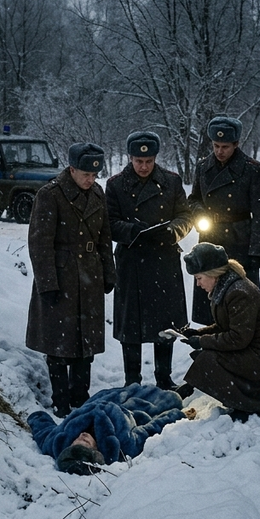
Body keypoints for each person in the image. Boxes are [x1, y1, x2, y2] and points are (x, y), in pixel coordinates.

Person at [26, 143, 116, 418]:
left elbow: (104, 238)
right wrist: (48, 284)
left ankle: (81, 395)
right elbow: (39, 243)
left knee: (84, 343)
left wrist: (108, 273)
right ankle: (60, 400)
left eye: (95, 175)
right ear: (72, 169)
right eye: (86, 174)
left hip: (89, 276)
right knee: (58, 344)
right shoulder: (50, 195)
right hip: (62, 277)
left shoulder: (98, 194)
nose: (91, 179)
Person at [105, 131, 195, 389]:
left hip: (163, 259)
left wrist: (172, 231)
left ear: (155, 158)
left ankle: (163, 378)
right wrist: (131, 230)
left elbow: (185, 216)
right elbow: (108, 223)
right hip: (131, 261)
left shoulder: (171, 182)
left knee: (164, 326)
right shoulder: (116, 185)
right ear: (130, 158)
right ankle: (132, 380)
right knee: (130, 327)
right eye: (138, 161)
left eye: (148, 161)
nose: (143, 167)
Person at [175, 243, 260, 421]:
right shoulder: (225, 288)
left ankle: (254, 403)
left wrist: (203, 341)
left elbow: (237, 338)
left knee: (209, 359)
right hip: (258, 351)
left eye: (199, 278)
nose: (198, 284)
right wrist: (197, 334)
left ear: (213, 274)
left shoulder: (238, 293)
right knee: (208, 355)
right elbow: (227, 326)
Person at [187, 116, 260, 326]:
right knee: (210, 302)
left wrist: (258, 252)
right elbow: (193, 199)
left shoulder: (253, 169)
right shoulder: (203, 167)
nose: (219, 151)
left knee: (240, 304)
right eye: (216, 145)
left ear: (236, 144)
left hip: (240, 239)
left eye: (225, 146)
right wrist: (200, 215)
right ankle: (209, 348)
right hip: (210, 240)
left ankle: (240, 352)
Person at [28, 383, 194, 474]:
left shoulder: (56, 442)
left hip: (102, 398)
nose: (82, 436)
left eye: (76, 441)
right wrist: (178, 415)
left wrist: (34, 417)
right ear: (96, 451)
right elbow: (152, 429)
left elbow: (42, 428)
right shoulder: (122, 446)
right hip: (129, 409)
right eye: (85, 442)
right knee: (168, 400)